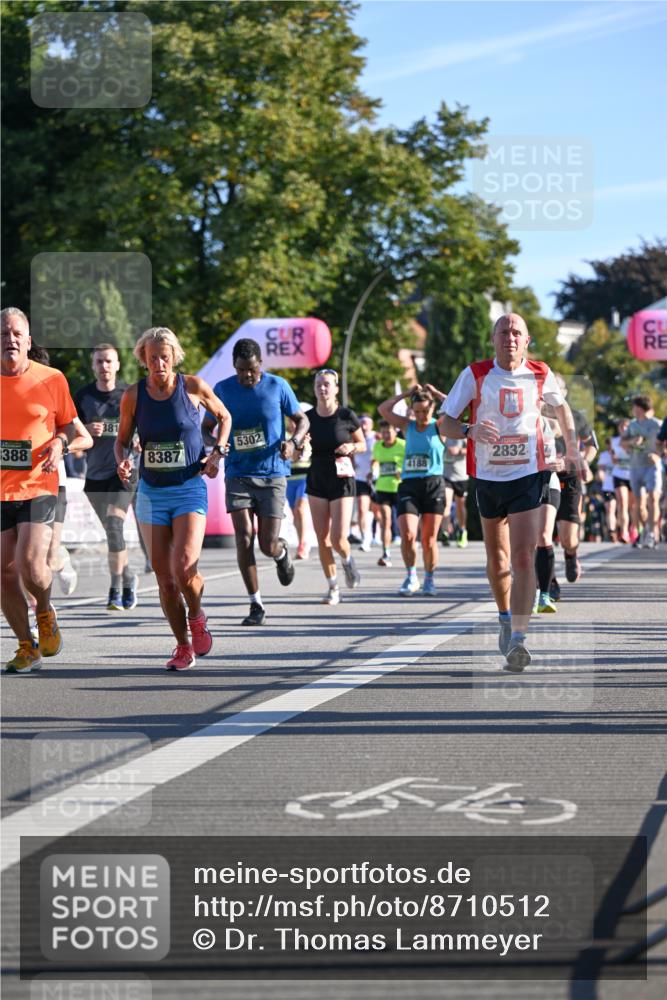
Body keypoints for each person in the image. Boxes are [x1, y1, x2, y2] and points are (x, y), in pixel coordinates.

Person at [439, 313, 585, 672]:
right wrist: (471, 430)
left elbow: (562, 408)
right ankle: (505, 617)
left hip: (528, 472)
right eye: (503, 331)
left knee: (522, 557)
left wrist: (572, 450)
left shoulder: (540, 372)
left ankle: (519, 638)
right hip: (488, 476)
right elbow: (445, 422)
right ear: (493, 338)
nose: (510, 337)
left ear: (527, 339)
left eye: (516, 332)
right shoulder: (475, 374)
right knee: (498, 559)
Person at [115, 326, 231, 671]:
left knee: (184, 568)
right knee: (164, 578)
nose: (159, 364)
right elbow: (122, 440)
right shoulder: (134, 396)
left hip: (188, 487)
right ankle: (183, 646)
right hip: (152, 491)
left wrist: (218, 452)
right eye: (152, 358)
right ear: (143, 360)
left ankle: (196, 615)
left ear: (174, 357)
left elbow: (224, 417)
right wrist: (121, 460)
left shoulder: (192, 387)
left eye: (164, 357)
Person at [1, 307, 92, 673]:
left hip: (39, 485)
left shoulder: (51, 379)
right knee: (3, 572)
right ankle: (27, 645)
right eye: (3, 334)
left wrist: (60, 444)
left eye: (16, 334)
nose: (10, 340)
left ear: (28, 340)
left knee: (28, 563)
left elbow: (77, 433)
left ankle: (44, 609)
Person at [204, 338, 309, 627]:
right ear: (234, 367)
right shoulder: (223, 390)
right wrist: (217, 447)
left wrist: (293, 441)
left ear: (260, 364)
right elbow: (206, 429)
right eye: (240, 370)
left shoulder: (278, 386)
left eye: (250, 369)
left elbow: (302, 420)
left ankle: (281, 551)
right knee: (243, 537)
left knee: (266, 544)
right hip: (237, 473)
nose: (246, 375)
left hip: (273, 473)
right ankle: (255, 604)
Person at [74, 343, 139, 610]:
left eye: (109, 361)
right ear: (93, 366)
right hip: (96, 476)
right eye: (99, 362)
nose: (104, 367)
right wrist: (87, 429)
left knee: (114, 526)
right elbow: (70, 431)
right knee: (113, 534)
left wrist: (138, 439)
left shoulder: (129, 394)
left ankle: (115, 589)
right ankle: (128, 576)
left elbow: (144, 426)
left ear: (118, 365)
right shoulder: (83, 396)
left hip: (124, 472)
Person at [379, 384, 447, 597]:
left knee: (428, 539)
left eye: (425, 411)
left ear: (432, 408)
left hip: (433, 484)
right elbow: (383, 409)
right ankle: (411, 576)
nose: (420, 415)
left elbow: (459, 408)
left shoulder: (440, 426)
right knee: (408, 534)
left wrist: (436, 393)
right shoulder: (406, 426)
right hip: (409, 484)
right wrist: (406, 394)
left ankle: (429, 578)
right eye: (417, 411)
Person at [306, 368, 365, 605]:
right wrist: (299, 446)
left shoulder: (346, 415)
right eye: (319, 384)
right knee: (322, 539)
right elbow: (297, 443)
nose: (322, 388)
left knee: (339, 538)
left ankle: (348, 561)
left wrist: (351, 448)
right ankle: (332, 587)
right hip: (317, 475)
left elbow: (361, 444)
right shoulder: (307, 418)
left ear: (336, 388)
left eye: (327, 384)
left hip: (341, 477)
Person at [547, 374, 598, 597]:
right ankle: (548, 580)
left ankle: (570, 554)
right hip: (542, 475)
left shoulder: (576, 417)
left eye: (557, 390)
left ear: (564, 393)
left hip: (568, 476)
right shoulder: (532, 416)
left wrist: (584, 460)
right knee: (543, 533)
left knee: (568, 536)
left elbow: (592, 445)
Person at [622, 395, 663, 549]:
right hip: (635, 466)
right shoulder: (632, 425)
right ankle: (644, 530)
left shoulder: (657, 424)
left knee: (653, 498)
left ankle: (652, 533)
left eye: (634, 407)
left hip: (652, 466)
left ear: (639, 408)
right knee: (639, 505)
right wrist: (632, 442)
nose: (632, 410)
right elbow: (622, 443)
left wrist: (658, 455)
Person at [371, 419, 406, 567]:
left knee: (404, 523)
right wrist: (373, 469)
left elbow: (409, 462)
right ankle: (386, 553)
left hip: (400, 487)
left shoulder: (403, 445)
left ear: (395, 431)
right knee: (386, 519)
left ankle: (409, 547)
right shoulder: (378, 446)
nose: (386, 435)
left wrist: (402, 471)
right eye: (383, 432)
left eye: (389, 432)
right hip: (383, 487)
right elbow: (375, 461)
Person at [286, 413, 312, 560]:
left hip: (305, 478)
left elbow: (305, 456)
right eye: (291, 422)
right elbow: (292, 458)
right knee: (295, 512)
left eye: (296, 422)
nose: (294, 425)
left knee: (300, 508)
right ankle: (302, 540)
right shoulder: (285, 436)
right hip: (290, 479)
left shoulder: (307, 437)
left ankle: (302, 544)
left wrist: (303, 446)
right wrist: (296, 446)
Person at [354, 414, 377, 551]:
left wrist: (374, 469)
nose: (363, 426)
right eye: (361, 423)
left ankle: (379, 535)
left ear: (371, 425)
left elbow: (380, 455)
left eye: (366, 423)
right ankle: (365, 539)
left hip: (376, 478)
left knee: (378, 512)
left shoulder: (377, 438)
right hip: (360, 478)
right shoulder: (355, 438)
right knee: (362, 508)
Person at [443, 437, 469, 548]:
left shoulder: (463, 432)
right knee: (446, 503)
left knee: (460, 505)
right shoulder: (443, 433)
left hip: (461, 476)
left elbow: (473, 449)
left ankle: (462, 531)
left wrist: (459, 451)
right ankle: (445, 532)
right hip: (446, 475)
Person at [611, 417, 633, 544]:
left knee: (635, 507)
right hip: (619, 474)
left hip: (634, 475)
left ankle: (634, 528)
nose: (624, 428)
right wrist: (615, 457)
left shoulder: (636, 440)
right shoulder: (615, 441)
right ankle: (624, 532)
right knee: (623, 503)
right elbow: (614, 459)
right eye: (621, 426)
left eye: (626, 426)